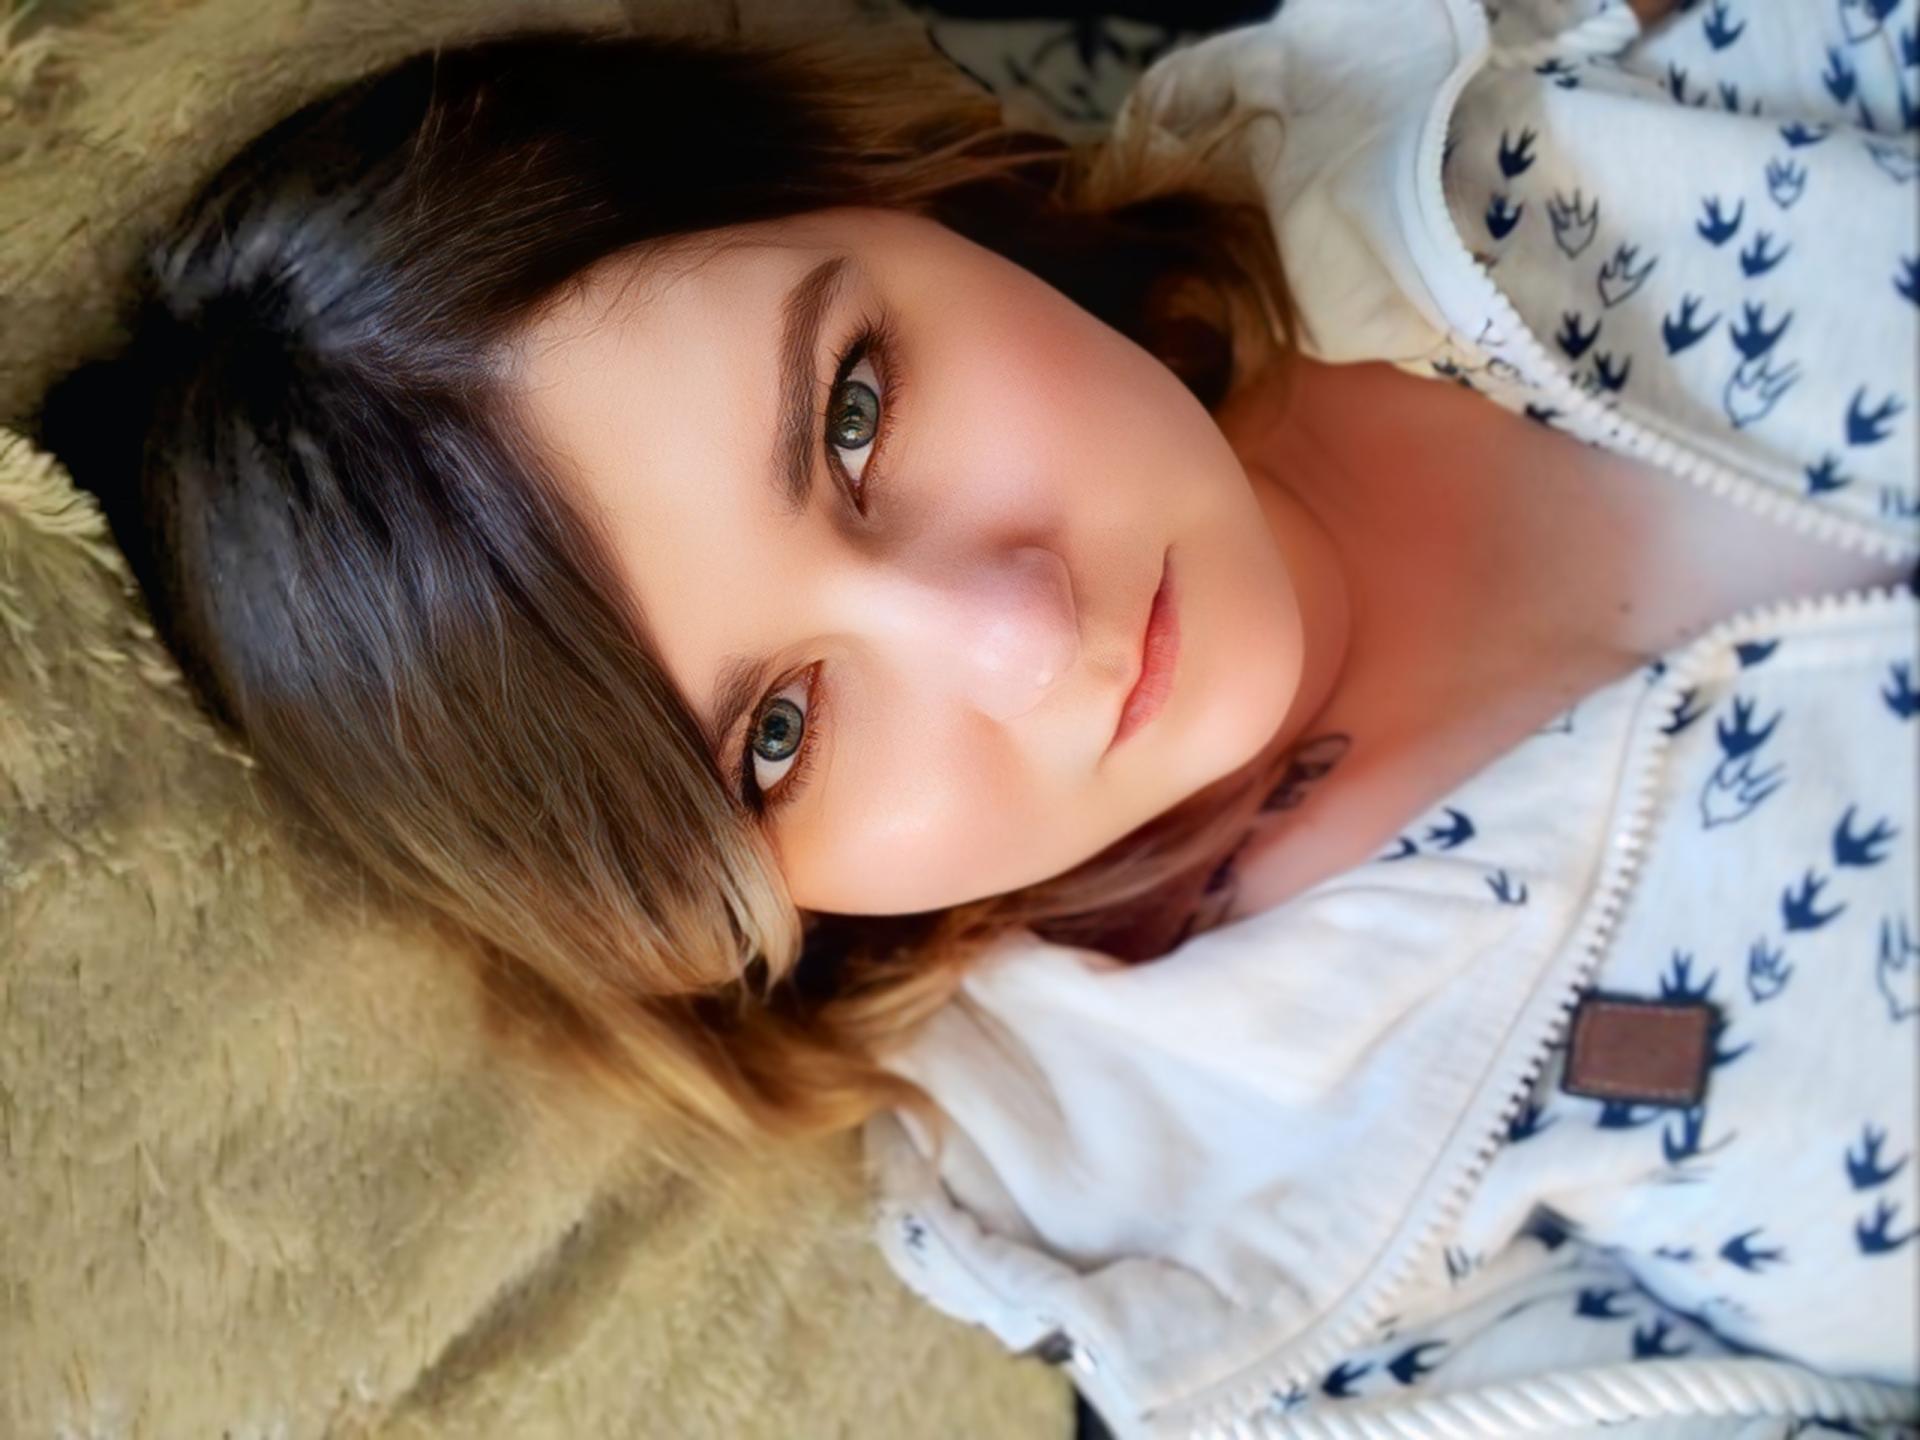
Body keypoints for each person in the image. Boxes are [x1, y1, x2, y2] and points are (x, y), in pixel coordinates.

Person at [32, 0, 1918, 1435]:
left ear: (892, 198)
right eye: (779, 739)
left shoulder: (1459, 103)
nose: (1017, 636)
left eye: (855, 413)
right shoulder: (1219, 1240)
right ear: (734, 916)